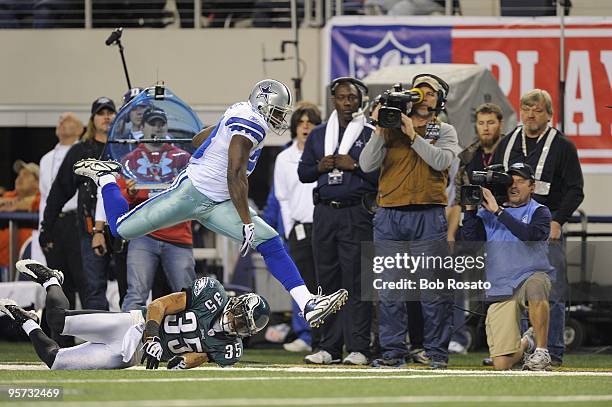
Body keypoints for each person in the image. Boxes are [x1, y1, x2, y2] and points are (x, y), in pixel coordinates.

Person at [72, 79, 348, 330]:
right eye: (277, 111)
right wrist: (247, 221)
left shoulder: (241, 111)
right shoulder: (251, 123)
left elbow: (199, 139)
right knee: (121, 229)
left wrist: (213, 140)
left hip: (217, 201)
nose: (279, 118)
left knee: (270, 241)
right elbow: (235, 174)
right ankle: (106, 176)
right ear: (263, 106)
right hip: (192, 193)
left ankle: (307, 303)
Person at [0, 259, 269, 370]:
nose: (237, 325)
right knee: (58, 321)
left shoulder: (230, 348)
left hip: (135, 355)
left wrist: (182, 363)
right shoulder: (211, 294)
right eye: (240, 317)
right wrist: (152, 338)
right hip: (135, 326)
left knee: (55, 361)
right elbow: (159, 305)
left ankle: (25, 321)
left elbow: (201, 355)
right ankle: (51, 280)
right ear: (235, 305)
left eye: (245, 326)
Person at [360, 74, 459, 369]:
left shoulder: (445, 130)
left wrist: (413, 136)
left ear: (439, 100)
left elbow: (442, 162)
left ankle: (436, 353)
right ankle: (392, 352)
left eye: (430, 93)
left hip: (429, 214)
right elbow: (366, 165)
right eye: (419, 92)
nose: (424, 97)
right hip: (390, 214)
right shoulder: (389, 128)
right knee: (390, 290)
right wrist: (379, 129)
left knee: (432, 291)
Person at [492, 89, 584, 367]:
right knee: (513, 291)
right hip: (512, 232)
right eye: (527, 109)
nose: (531, 114)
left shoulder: (563, 146)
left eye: (538, 110)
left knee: (549, 293)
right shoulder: (507, 143)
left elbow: (574, 190)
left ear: (549, 114)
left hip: (546, 229)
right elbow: (495, 184)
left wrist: (557, 220)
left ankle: (552, 351)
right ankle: (518, 349)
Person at [298, 78, 378, 365]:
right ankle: (329, 347)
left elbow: (380, 178)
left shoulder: (370, 134)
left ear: (360, 101)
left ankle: (359, 347)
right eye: (342, 97)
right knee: (326, 280)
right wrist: (320, 166)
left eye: (352, 98)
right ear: (333, 100)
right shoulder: (319, 135)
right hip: (324, 214)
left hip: (355, 213)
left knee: (356, 281)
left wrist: (353, 166)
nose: (347, 102)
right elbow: (304, 173)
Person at [461, 163, 554, 371]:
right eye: (511, 180)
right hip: (501, 286)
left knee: (536, 287)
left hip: (531, 275)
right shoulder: (487, 214)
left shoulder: (540, 211)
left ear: (532, 186)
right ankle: (527, 343)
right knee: (501, 364)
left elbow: (530, 236)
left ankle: (541, 351)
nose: (514, 185)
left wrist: (499, 211)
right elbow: (470, 245)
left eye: (521, 181)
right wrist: (470, 210)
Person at [40, 97, 123, 310]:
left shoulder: (124, 149)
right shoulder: (80, 151)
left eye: (110, 112)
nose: (106, 117)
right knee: (93, 288)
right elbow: (59, 191)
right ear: (92, 119)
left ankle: (126, 340)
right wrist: (46, 227)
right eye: (101, 113)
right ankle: (100, 340)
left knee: (128, 288)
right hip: (89, 231)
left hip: (124, 230)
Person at [274, 102, 322, 353]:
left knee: (328, 282)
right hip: (299, 228)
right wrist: (289, 229)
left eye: (310, 122)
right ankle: (305, 334)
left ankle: (328, 337)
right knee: (301, 284)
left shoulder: (324, 154)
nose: (305, 127)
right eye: (301, 122)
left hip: (325, 226)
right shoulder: (284, 158)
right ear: (294, 127)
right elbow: (282, 198)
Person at [120, 107, 191, 185]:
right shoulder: (129, 160)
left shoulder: (183, 158)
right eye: (152, 124)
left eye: (162, 124)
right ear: (142, 127)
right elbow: (122, 190)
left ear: (167, 127)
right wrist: (129, 192)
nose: (157, 127)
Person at [0, 161, 40, 268]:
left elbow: (39, 202)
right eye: (18, 175)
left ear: (37, 182)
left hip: (28, 266)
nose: (19, 178)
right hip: (3, 263)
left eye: (26, 175)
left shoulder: (43, 199)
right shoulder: (9, 196)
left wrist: (18, 205)